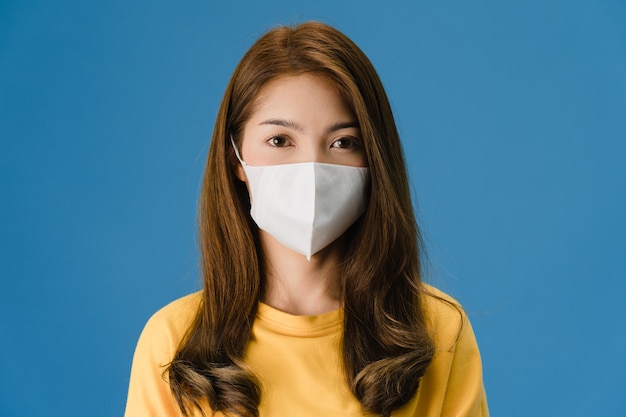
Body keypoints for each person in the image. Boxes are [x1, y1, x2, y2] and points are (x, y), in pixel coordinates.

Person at [124, 21, 489, 417]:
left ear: (374, 160)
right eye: (280, 141)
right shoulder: (174, 341)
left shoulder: (437, 330)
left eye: (343, 143)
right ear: (236, 159)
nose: (312, 168)